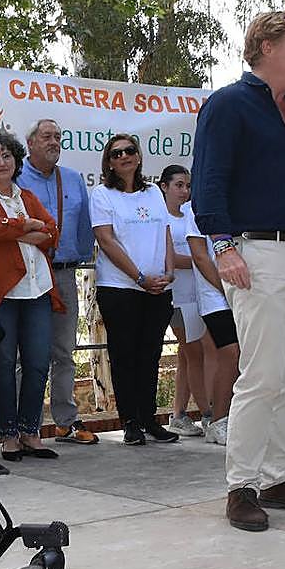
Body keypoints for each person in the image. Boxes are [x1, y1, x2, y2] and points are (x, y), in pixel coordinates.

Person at [192, 10, 285, 532]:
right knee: (260, 373)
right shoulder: (227, 105)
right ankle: (242, 486)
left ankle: (281, 476)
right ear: (267, 47)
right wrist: (223, 247)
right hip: (256, 251)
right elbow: (208, 182)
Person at [0, 131, 61, 460]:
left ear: (17, 161)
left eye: (7, 156)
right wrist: (28, 226)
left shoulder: (27, 196)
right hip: (1, 294)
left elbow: (52, 231)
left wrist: (20, 228)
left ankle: (30, 432)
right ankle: (8, 435)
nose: (1, 162)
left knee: (38, 363)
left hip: (38, 290)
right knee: (3, 363)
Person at [91, 134, 179, 446]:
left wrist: (169, 271)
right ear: (109, 163)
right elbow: (106, 240)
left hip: (157, 289)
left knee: (150, 355)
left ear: (139, 157)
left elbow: (165, 233)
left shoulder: (154, 192)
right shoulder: (102, 194)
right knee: (124, 355)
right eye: (116, 154)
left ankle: (149, 419)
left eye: (129, 151)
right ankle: (129, 421)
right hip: (120, 288)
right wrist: (139, 277)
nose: (124, 156)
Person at [15, 119, 98, 444]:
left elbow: (84, 227)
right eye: (46, 136)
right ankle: (26, 425)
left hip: (63, 273)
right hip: (27, 273)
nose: (54, 142)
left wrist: (77, 256)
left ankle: (66, 421)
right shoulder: (15, 178)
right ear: (30, 143)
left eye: (58, 137)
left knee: (64, 350)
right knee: (26, 354)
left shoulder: (73, 179)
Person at [183, 203, 239, 446]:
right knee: (230, 353)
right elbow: (200, 256)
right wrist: (226, 289)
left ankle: (237, 417)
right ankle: (218, 421)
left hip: (245, 291)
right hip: (215, 297)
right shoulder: (194, 209)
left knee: (246, 356)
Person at [159, 165, 207, 437]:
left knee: (186, 357)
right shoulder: (161, 217)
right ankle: (209, 413)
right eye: (178, 185)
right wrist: (202, 261)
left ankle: (178, 414)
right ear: (164, 186)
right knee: (194, 353)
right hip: (176, 297)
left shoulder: (190, 214)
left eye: (187, 186)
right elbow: (171, 258)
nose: (184, 191)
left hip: (196, 294)